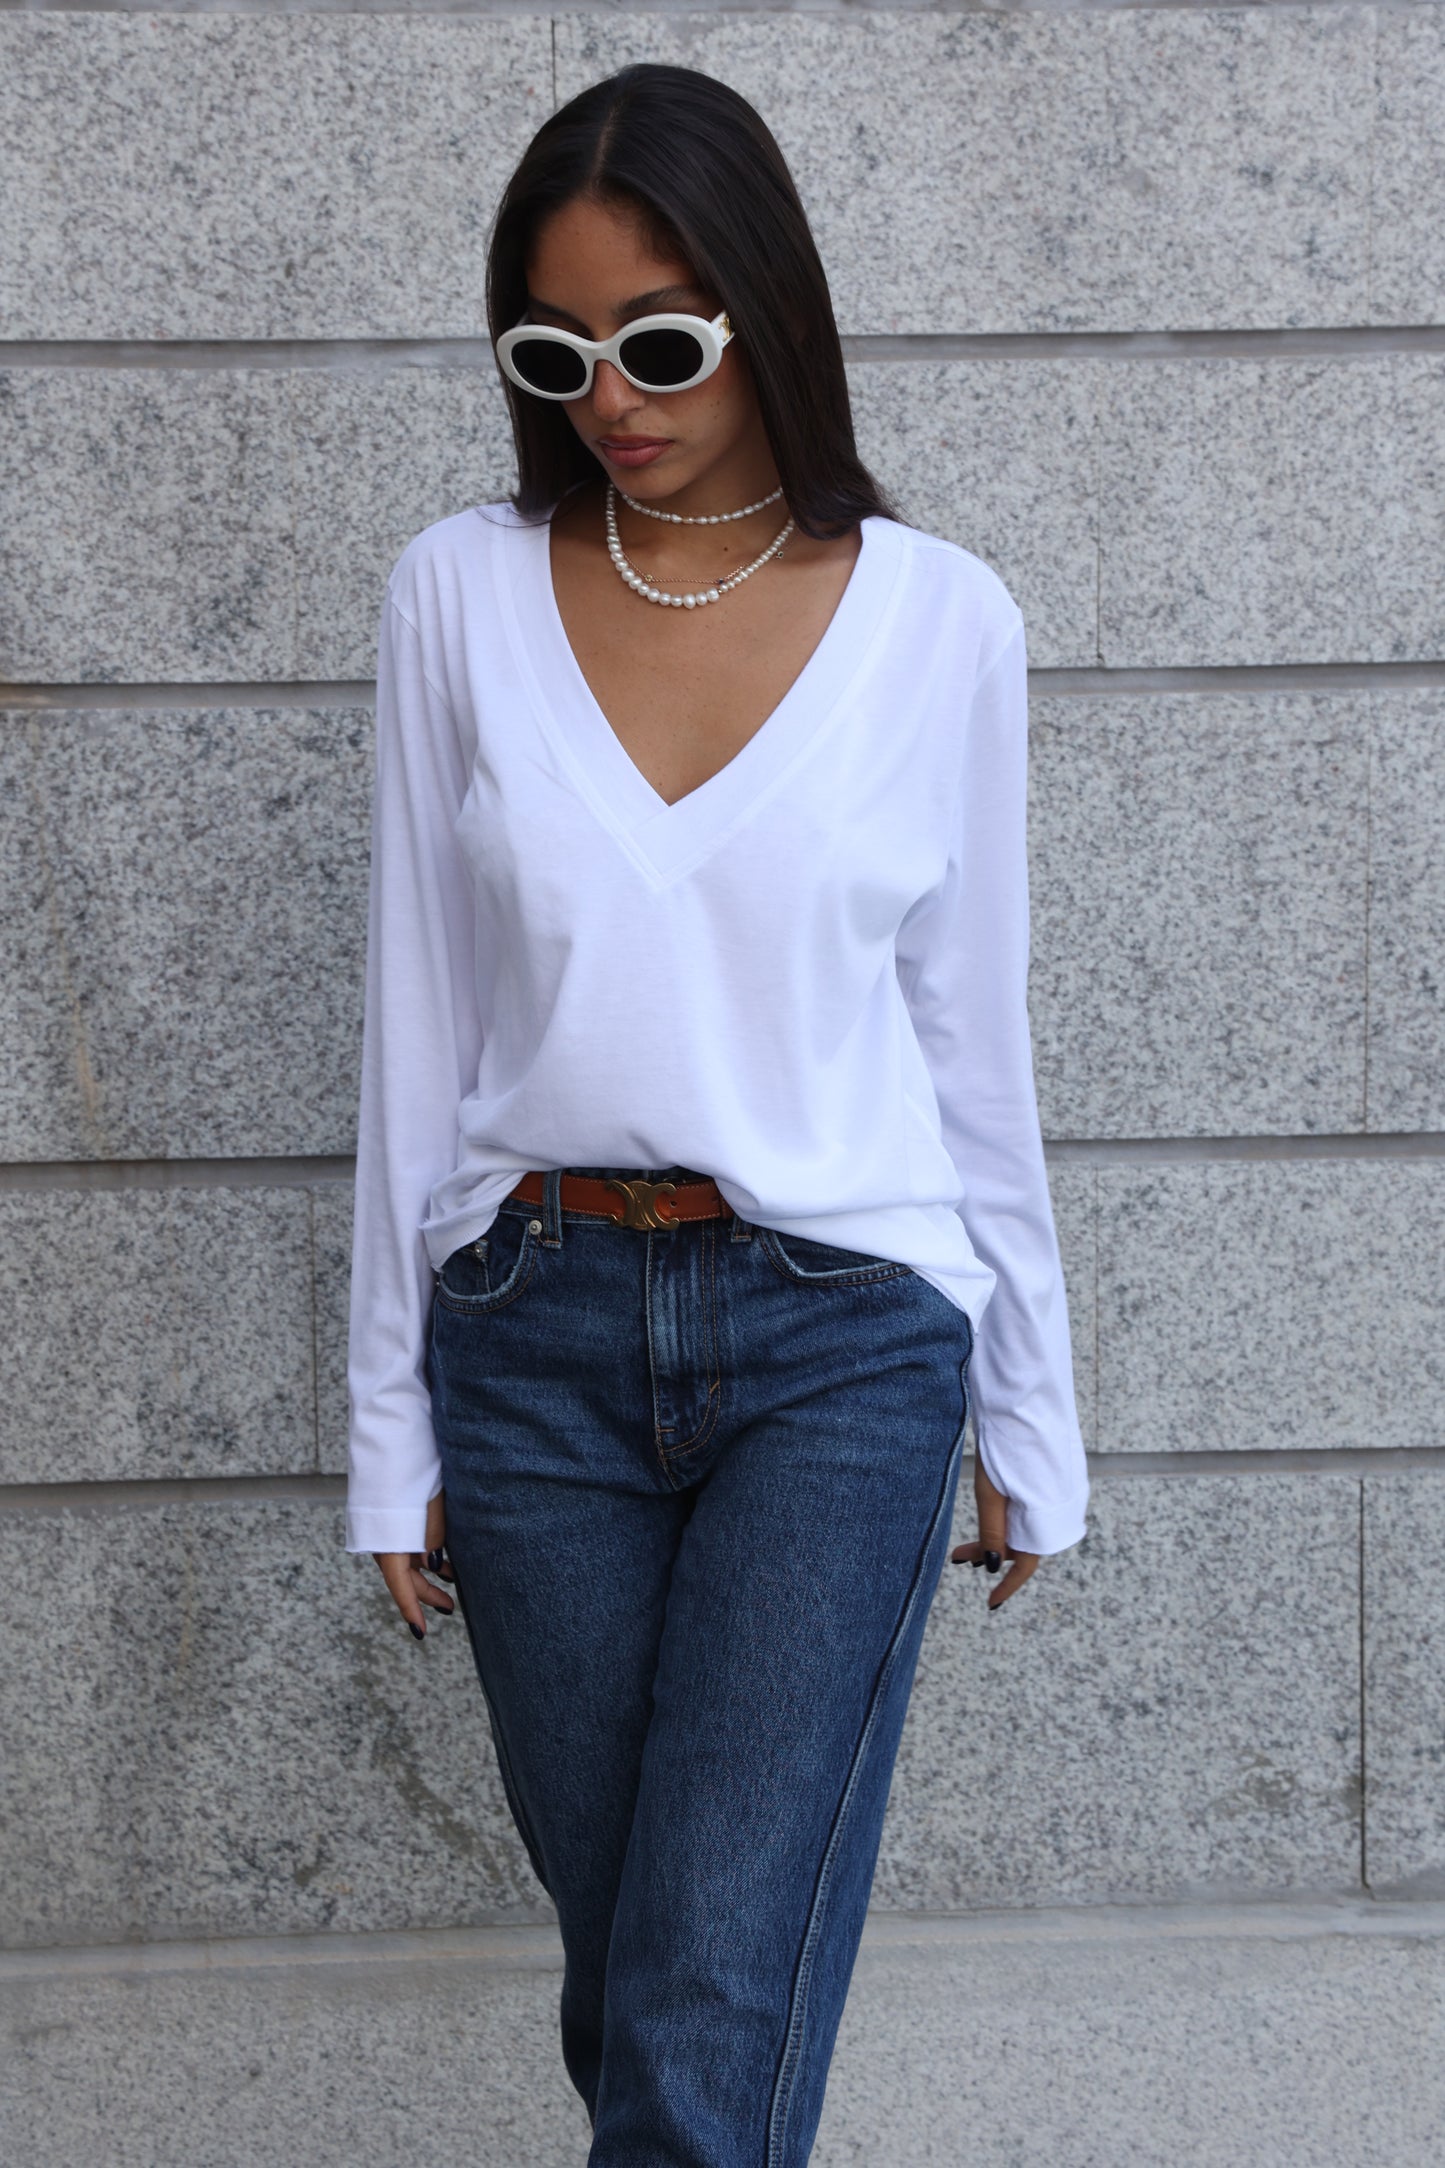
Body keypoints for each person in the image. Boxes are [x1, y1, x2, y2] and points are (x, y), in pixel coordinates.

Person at [344, 59, 1089, 2168]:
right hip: (534, 1338)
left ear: (769, 310)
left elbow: (971, 1041)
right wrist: (389, 1425)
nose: (610, 399)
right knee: (643, 1988)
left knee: (700, 2002)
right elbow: (416, 1029)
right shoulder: (457, 594)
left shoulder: (940, 620)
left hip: (841, 1349)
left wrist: (1030, 1408)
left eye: (658, 343)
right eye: (554, 352)